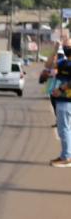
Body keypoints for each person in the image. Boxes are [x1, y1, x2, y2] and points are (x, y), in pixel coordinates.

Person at [48, 38, 71, 167]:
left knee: (64, 129)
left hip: (67, 101)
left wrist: (60, 89)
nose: (66, 48)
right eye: (65, 46)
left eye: (68, 46)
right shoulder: (63, 62)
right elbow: (49, 65)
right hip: (62, 100)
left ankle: (66, 157)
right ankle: (67, 154)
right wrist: (55, 51)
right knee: (67, 129)